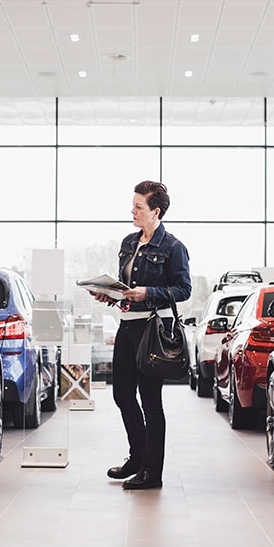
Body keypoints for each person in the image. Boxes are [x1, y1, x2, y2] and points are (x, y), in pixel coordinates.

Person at [93, 180, 191, 490]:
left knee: (151, 401)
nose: (132, 211)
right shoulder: (128, 243)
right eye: (133, 205)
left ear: (156, 211)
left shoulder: (173, 247)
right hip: (127, 326)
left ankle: (153, 472)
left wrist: (145, 293)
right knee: (122, 394)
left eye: (139, 207)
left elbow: (183, 290)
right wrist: (112, 296)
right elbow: (126, 289)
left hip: (152, 329)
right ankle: (137, 458)